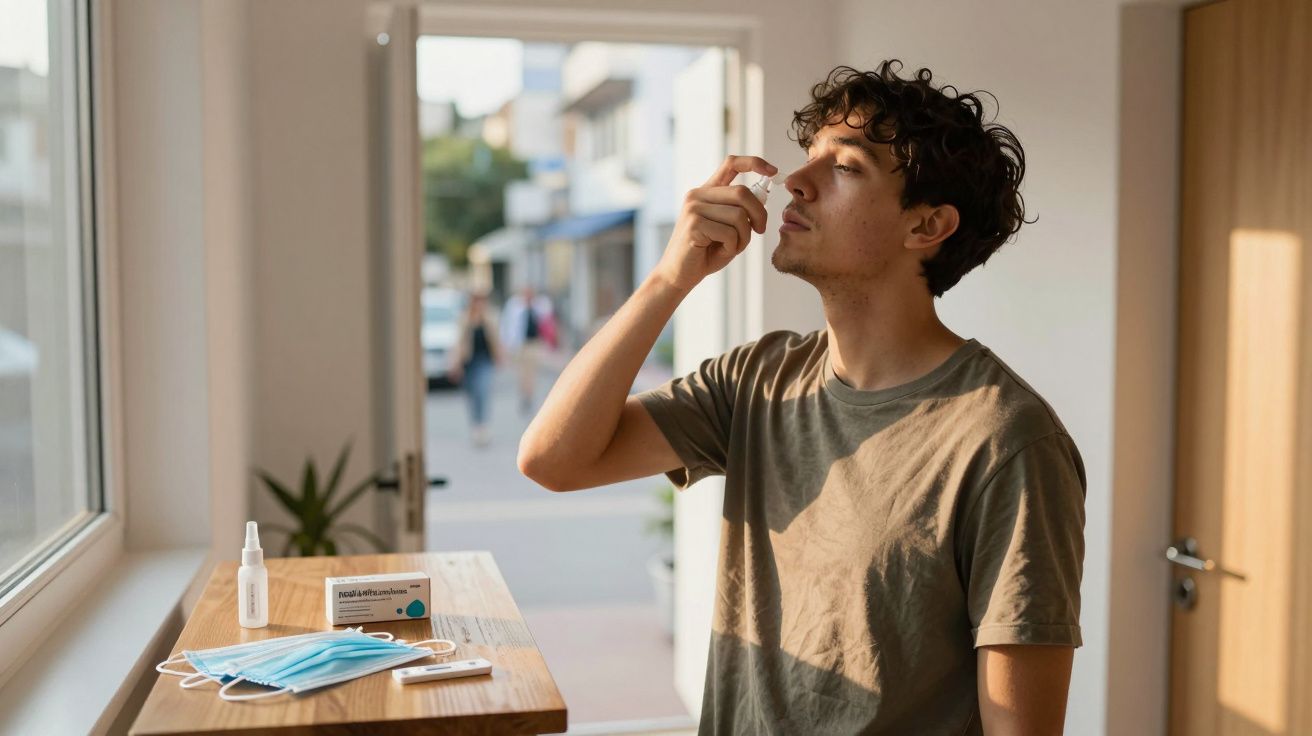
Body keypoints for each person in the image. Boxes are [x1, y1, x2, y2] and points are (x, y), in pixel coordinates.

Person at [519, 60, 1085, 735]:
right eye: (809, 156)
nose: (796, 182)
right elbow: (554, 461)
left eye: (844, 166)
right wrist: (669, 279)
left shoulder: (1007, 441)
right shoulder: (757, 380)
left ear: (927, 226)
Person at [449, 290, 502, 448]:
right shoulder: (464, 319)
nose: (479, 305)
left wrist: (500, 356)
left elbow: (496, 339)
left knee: (482, 391)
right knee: (472, 396)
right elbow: (458, 343)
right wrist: (455, 364)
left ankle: (482, 427)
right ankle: (475, 425)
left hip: (484, 362)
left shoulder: (490, 318)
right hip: (469, 363)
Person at [499, 285, 556, 416]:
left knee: (531, 372)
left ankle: (529, 395)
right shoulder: (515, 307)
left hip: (533, 344)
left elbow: (548, 317)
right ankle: (524, 394)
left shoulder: (539, 306)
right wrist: (506, 344)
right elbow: (507, 325)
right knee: (522, 373)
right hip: (520, 344)